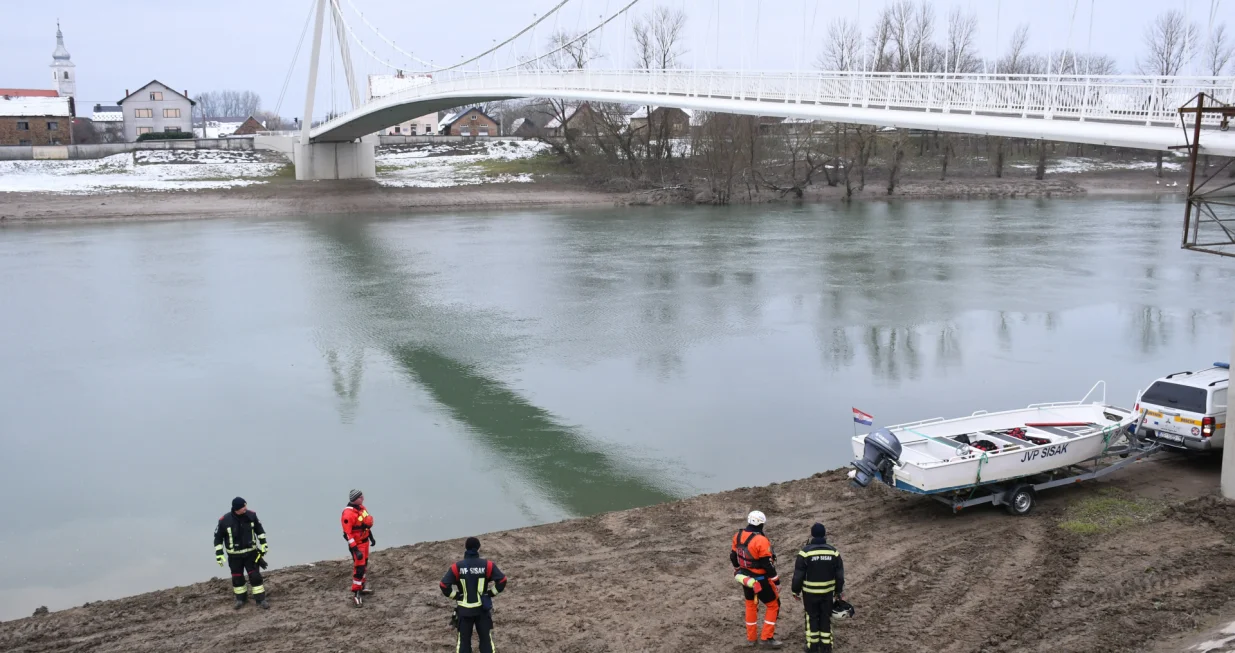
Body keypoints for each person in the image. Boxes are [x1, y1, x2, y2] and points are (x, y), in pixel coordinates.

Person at [440, 536, 507, 653]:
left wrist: (456, 596)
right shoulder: (488, 565)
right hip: (482, 610)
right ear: (478, 549)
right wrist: (490, 593)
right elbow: (502, 580)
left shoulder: (457, 567)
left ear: (466, 548)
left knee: (464, 643)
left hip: (464, 611)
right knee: (486, 640)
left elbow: (444, 585)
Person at [791, 523, 846, 653]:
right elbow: (839, 575)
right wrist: (839, 591)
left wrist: (795, 590)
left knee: (812, 617)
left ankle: (812, 646)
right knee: (825, 616)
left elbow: (798, 575)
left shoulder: (804, 553)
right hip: (827, 593)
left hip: (810, 593)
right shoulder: (833, 552)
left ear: (812, 535)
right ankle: (827, 647)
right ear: (824, 534)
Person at [731, 510, 782, 648]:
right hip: (761, 579)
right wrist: (776, 581)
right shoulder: (761, 540)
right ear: (761, 524)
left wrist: (737, 569)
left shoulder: (738, 535)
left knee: (750, 606)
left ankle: (751, 638)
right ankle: (766, 638)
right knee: (773, 605)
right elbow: (767, 564)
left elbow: (733, 556)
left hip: (746, 579)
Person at [213, 497, 269, 610]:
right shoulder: (224, 520)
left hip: (251, 554)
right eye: (243, 507)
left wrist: (264, 545)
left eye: (245, 506)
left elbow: (260, 531)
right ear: (236, 509)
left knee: (255, 577)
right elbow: (218, 538)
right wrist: (219, 554)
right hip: (234, 557)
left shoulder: (252, 515)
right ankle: (241, 599)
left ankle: (260, 599)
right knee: (237, 578)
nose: (245, 508)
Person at [341, 488, 375, 606]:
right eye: (361, 497)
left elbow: (366, 524)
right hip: (357, 544)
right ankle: (356, 593)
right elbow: (347, 534)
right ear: (355, 499)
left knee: (364, 564)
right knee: (359, 567)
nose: (363, 498)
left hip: (365, 541)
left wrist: (371, 537)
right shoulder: (348, 514)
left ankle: (362, 586)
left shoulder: (362, 509)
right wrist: (355, 549)